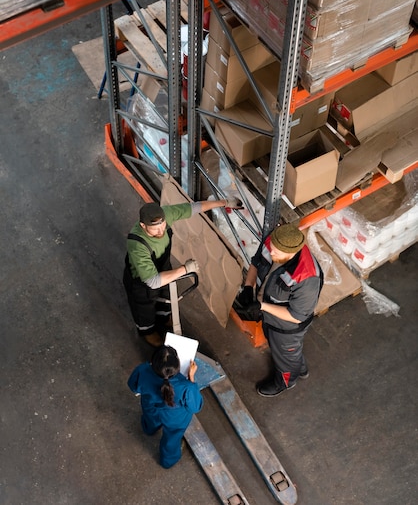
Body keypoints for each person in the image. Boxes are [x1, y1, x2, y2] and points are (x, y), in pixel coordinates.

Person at [123, 198, 242, 347]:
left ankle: (164, 317)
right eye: (155, 229)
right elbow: (153, 281)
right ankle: (147, 331)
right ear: (143, 225)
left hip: (162, 267)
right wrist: (184, 269)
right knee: (144, 306)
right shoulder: (137, 244)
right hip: (142, 281)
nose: (161, 231)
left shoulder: (165, 214)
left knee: (166, 294)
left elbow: (194, 207)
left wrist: (224, 202)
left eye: (163, 225)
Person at [235, 223, 323, 398]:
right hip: (269, 317)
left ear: (292, 253)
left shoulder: (307, 277)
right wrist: (247, 286)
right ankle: (299, 365)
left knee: (286, 351)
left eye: (276, 252)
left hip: (286, 328)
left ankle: (286, 382)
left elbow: (297, 316)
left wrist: (262, 306)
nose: (271, 252)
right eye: (271, 247)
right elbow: (256, 261)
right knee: (287, 352)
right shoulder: (272, 241)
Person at [127, 345, 203, 469]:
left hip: (150, 406)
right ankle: (168, 460)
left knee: (150, 419)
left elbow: (133, 386)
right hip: (175, 417)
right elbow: (195, 406)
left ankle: (149, 429)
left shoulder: (142, 370)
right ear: (177, 367)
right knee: (172, 436)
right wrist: (191, 379)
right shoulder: (186, 387)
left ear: (153, 362)